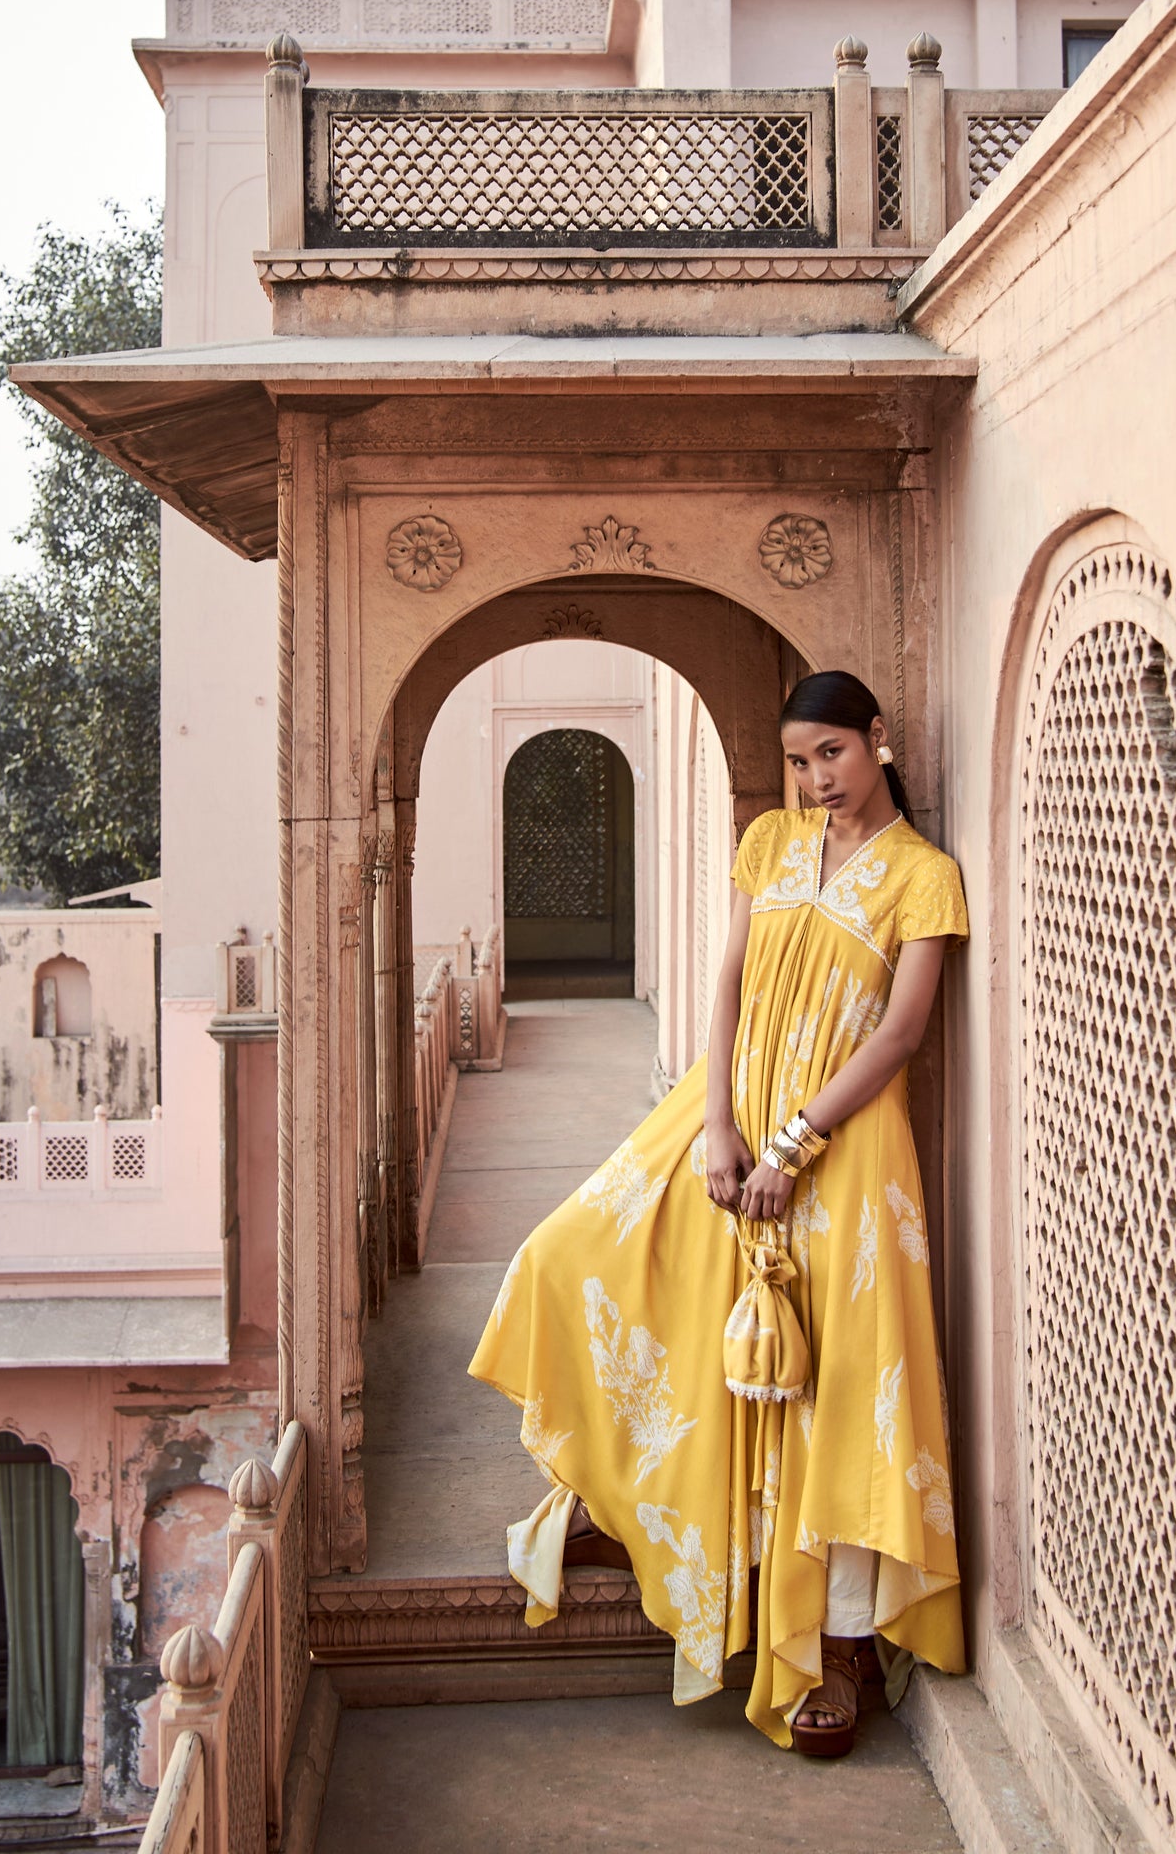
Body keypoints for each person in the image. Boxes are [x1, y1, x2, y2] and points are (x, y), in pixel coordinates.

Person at [469, 670, 968, 1756]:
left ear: (877, 738)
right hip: (729, 1115)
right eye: (798, 759)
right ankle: (635, 1503)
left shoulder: (923, 877)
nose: (815, 777)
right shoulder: (768, 844)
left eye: (832, 752)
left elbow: (899, 1035)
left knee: (833, 1385)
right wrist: (716, 1124)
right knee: (573, 1255)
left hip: (847, 1148)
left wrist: (796, 1145)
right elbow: (730, 984)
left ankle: (833, 1645)